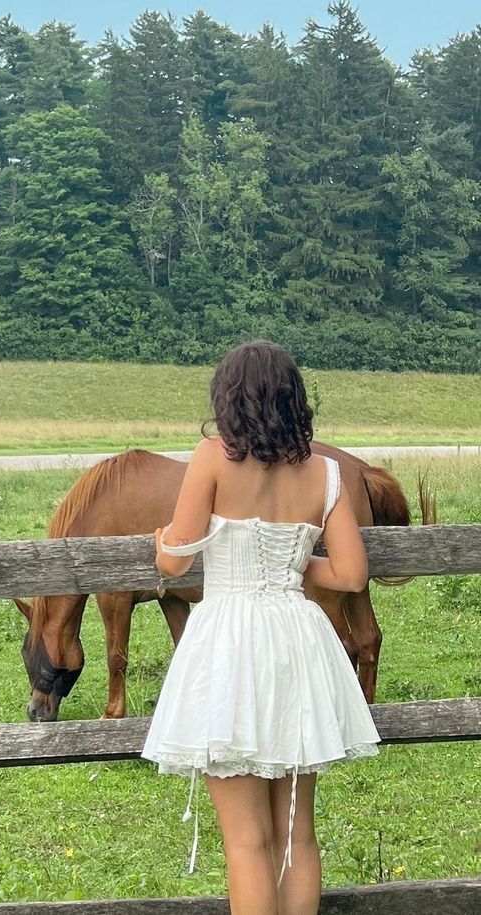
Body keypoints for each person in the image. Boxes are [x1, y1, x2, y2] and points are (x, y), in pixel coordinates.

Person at [141, 340, 380, 915]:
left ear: (228, 398)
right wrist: (294, 564)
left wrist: (160, 545)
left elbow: (177, 559)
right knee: (297, 831)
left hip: (230, 642)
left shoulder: (211, 458)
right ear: (294, 399)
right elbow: (350, 574)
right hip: (296, 638)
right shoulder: (324, 472)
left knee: (248, 843)